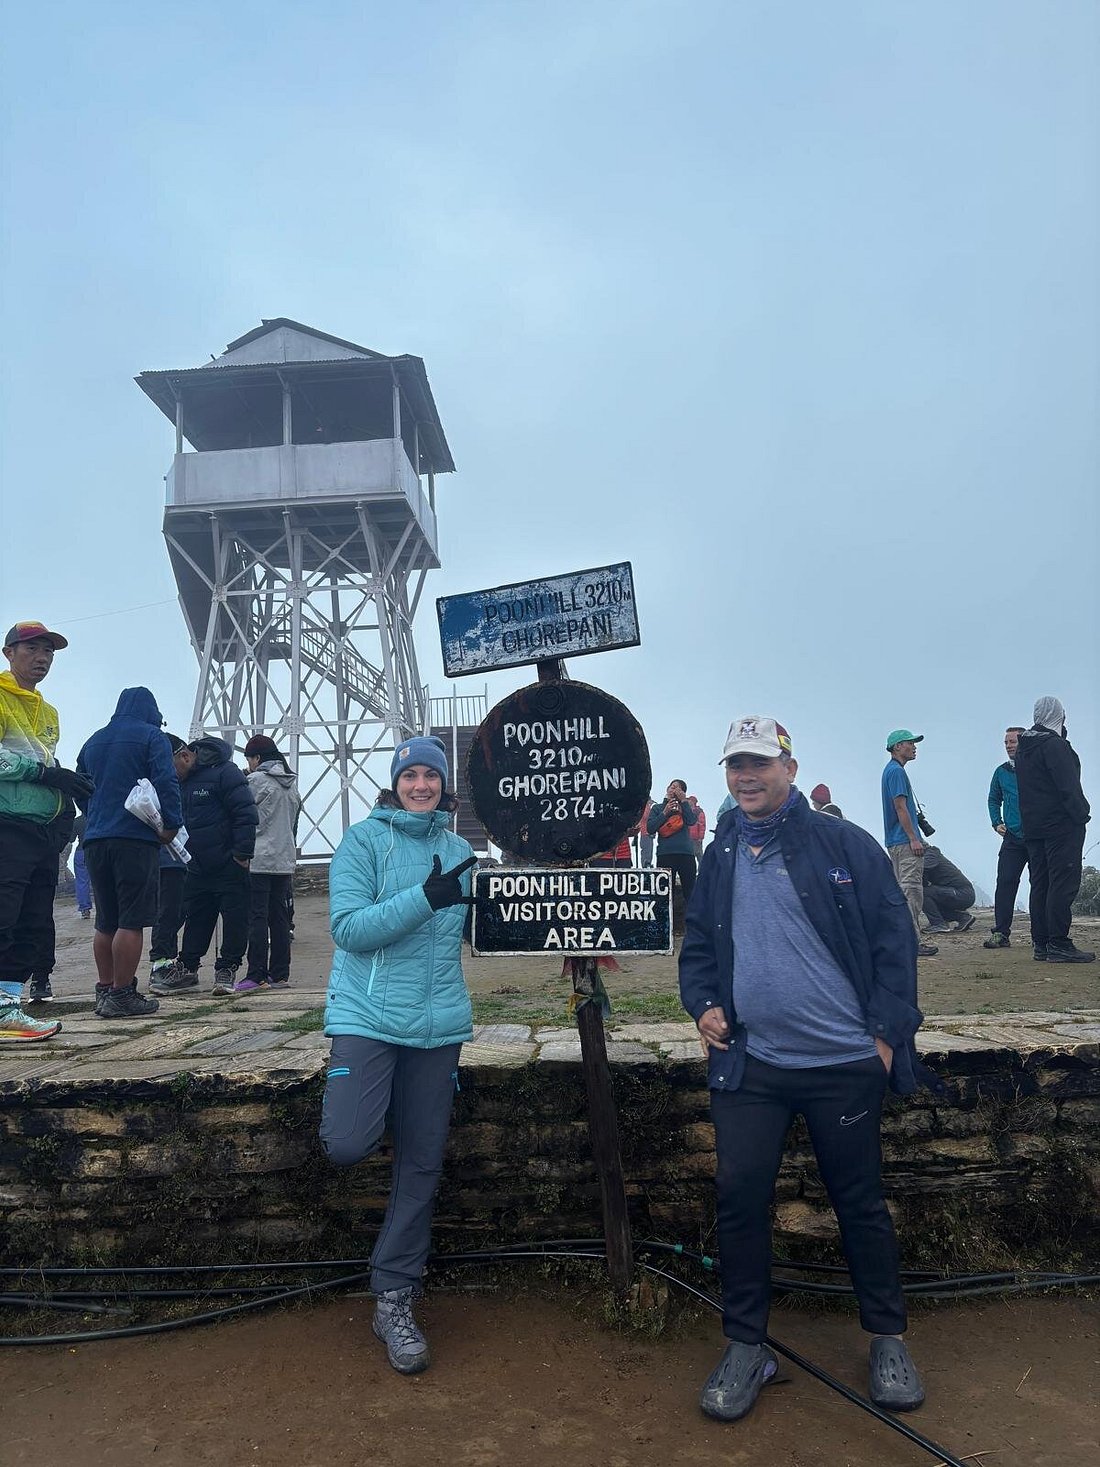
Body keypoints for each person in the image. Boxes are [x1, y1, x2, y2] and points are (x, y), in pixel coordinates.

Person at [680, 714, 928, 1424]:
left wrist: (884, 1037)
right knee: (738, 1197)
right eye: (735, 765)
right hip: (751, 1064)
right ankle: (746, 1345)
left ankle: (887, 1338)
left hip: (843, 1063)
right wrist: (702, 1005)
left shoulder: (842, 841)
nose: (746, 776)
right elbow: (699, 942)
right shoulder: (722, 844)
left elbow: (893, 942)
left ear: (789, 766)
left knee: (859, 1201)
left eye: (759, 762)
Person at [319, 735, 476, 1376]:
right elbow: (349, 929)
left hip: (438, 1027)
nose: (420, 785)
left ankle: (394, 1294)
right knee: (347, 1142)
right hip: (368, 1016)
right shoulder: (363, 841)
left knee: (422, 1164)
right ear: (395, 783)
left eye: (429, 776)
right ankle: (369, 1101)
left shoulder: (461, 849)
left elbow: (483, 926)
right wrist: (424, 899)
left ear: (443, 785)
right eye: (409, 775)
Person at [0, 620, 90, 1040]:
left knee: (34, 920)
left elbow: (46, 761)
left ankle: (10, 1006)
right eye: (32, 649)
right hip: (7, 824)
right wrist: (42, 773)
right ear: (9, 653)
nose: (42, 658)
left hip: (42, 828)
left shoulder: (48, 711)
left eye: (49, 652)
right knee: (5, 914)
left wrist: (64, 799)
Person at [77, 688, 182, 1018]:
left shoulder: (93, 740)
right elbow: (166, 781)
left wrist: (94, 815)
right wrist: (171, 824)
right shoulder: (152, 736)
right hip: (134, 838)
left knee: (105, 920)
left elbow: (81, 785)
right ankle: (123, 994)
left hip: (95, 838)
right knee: (131, 919)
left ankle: (105, 989)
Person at [174, 736, 259, 994]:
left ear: (185, 756)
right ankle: (188, 967)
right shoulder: (183, 782)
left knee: (234, 918)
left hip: (228, 862)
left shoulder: (226, 772)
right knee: (197, 917)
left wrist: (241, 853)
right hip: (196, 864)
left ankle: (227, 968)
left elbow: (245, 813)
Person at [1015, 697, 1094, 963]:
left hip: (1034, 826)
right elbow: (1068, 786)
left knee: (1040, 883)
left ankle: (1042, 943)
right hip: (1060, 826)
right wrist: (1081, 814)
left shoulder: (1025, 747)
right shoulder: (1054, 745)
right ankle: (1059, 942)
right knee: (1062, 882)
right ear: (1059, 715)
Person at [239, 734, 302, 993]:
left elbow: (242, 814)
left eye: (249, 759)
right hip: (284, 859)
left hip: (260, 858)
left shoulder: (255, 781)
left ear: (257, 758)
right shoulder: (291, 784)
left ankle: (256, 974)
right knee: (280, 920)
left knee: (256, 917)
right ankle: (280, 974)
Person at [881, 730, 937, 958]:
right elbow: (901, 807)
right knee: (911, 892)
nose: (914, 747)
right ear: (897, 747)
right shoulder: (896, 772)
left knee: (901, 892)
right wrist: (914, 838)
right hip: (904, 841)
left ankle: (901, 940)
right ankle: (912, 942)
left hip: (895, 841)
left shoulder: (891, 771)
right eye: (910, 743)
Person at [147, 736, 195, 995]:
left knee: (174, 911)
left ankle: (165, 962)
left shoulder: (151, 777)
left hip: (173, 857)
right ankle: (161, 965)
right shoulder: (165, 783)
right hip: (169, 857)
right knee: (167, 912)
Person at [984, 728, 1029, 949]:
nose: (1009, 746)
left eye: (1013, 741)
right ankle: (1001, 933)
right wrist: (996, 821)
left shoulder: (1035, 769)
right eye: (1006, 742)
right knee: (1005, 883)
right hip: (1012, 837)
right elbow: (993, 798)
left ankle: (1044, 934)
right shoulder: (1001, 772)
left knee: (1041, 885)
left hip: (1038, 836)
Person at [646, 780, 698, 908]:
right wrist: (665, 812)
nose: (672, 789)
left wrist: (684, 801)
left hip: (686, 854)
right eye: (671, 786)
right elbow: (650, 828)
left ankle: (692, 926)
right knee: (665, 893)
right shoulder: (657, 808)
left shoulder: (685, 807)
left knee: (690, 892)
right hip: (665, 854)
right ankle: (667, 926)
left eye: (676, 788)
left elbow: (691, 821)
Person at [920, 847, 976, 932]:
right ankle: (963, 918)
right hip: (958, 893)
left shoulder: (930, 854)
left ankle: (938, 924)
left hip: (962, 893)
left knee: (922, 892)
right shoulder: (930, 854)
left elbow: (923, 870)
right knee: (926, 896)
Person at [72, 814, 92, 919]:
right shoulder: (96, 817)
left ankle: (85, 910)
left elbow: (71, 839)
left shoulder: (77, 821)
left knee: (81, 881)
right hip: (94, 850)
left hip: (81, 851)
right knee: (102, 881)